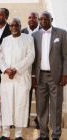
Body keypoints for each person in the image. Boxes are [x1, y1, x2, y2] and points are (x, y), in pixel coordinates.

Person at [32, 11, 67, 140]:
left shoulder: (62, 33)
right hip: (40, 76)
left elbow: (66, 56)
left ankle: (56, 135)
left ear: (51, 19)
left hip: (56, 77)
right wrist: (33, 76)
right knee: (41, 107)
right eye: (41, 19)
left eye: (46, 19)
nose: (43, 21)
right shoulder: (34, 35)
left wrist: (65, 74)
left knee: (56, 106)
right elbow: (34, 58)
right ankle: (43, 134)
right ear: (39, 21)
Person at [0, 18, 35, 140]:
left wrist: (16, 69)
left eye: (16, 25)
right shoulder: (5, 40)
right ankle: (6, 133)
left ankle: (19, 134)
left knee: (21, 104)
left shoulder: (28, 38)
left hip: (21, 77)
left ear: (20, 26)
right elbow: (0, 58)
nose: (14, 27)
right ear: (9, 27)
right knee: (7, 105)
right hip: (7, 78)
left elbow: (30, 56)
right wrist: (6, 70)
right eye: (12, 25)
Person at [21, 12, 40, 128]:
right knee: (24, 97)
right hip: (24, 71)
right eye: (29, 17)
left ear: (38, 19)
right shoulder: (21, 31)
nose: (32, 19)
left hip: (39, 71)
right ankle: (24, 120)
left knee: (40, 98)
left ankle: (39, 120)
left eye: (34, 17)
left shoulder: (43, 31)